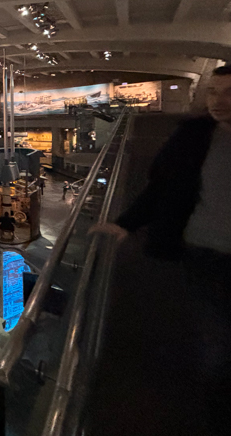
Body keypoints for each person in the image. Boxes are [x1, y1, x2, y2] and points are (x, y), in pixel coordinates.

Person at [100, 65, 231, 432]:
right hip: (204, 252)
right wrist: (126, 222)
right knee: (218, 340)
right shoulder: (194, 136)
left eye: (229, 93)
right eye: (213, 92)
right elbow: (162, 185)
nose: (218, 101)